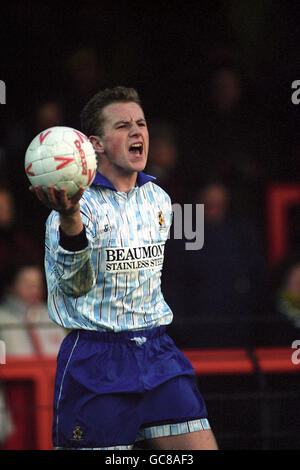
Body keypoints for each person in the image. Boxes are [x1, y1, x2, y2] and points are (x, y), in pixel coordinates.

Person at [29, 86, 218, 450]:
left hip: (158, 350)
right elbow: (74, 287)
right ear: (95, 144)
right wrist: (70, 218)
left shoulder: (158, 198)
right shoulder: (73, 209)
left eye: (141, 123)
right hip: (98, 359)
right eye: (122, 126)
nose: (137, 132)